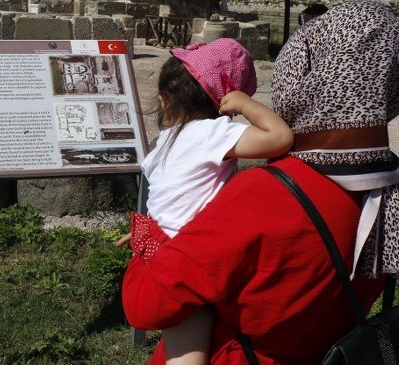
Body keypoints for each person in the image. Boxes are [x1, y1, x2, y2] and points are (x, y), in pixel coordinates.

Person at [122, 0, 399, 364]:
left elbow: (148, 306)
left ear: (300, 76)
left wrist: (143, 245)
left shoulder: (265, 195)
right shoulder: (391, 196)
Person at [118, 38, 294, 365]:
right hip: (180, 266)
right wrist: (244, 105)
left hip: (152, 252)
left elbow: (167, 197)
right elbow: (280, 137)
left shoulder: (166, 140)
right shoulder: (212, 133)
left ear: (164, 102)